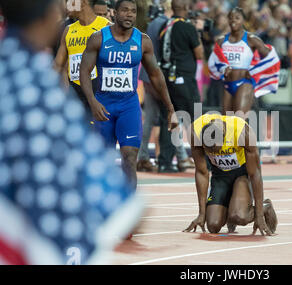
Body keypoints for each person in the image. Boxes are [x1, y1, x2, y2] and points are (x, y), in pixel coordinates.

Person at [0, 0, 142, 264]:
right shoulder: (38, 78)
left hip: (104, 98)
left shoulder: (104, 29)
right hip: (81, 97)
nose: (65, 8)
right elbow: (60, 64)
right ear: (44, 20)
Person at [79, 0, 177, 190]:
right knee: (102, 159)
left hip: (129, 106)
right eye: (125, 10)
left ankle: (129, 205)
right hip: (103, 105)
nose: (129, 14)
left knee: (130, 156)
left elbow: (156, 75)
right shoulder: (98, 38)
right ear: (114, 13)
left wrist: (170, 108)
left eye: (133, 11)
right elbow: (84, 71)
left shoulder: (143, 41)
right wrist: (92, 102)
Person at [183, 114, 277, 235]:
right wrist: (201, 214)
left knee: (239, 217)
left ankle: (266, 206)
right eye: (208, 151)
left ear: (225, 138)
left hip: (242, 174)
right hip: (219, 175)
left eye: (216, 150)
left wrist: (258, 214)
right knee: (213, 225)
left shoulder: (242, 132)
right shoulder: (194, 132)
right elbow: (202, 172)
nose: (213, 153)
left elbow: (255, 174)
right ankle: (232, 206)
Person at [137, 0, 194, 173]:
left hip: (148, 75)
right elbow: (163, 53)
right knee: (171, 118)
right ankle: (180, 157)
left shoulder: (154, 24)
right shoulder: (166, 24)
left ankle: (144, 156)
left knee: (152, 119)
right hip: (158, 77)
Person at [157, 0, 204, 173]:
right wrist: (197, 33)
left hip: (167, 80)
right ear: (185, 9)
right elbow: (199, 54)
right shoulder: (187, 27)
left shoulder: (165, 26)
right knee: (196, 120)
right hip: (184, 79)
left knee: (169, 120)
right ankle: (203, 161)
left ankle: (164, 162)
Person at [207, 7, 280, 117]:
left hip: (244, 83)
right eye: (231, 18)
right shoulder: (222, 40)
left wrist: (254, 70)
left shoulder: (251, 39)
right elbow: (214, 61)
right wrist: (223, 68)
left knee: (239, 121)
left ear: (243, 20)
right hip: (227, 84)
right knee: (227, 123)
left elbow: (271, 57)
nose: (233, 21)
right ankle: (249, 134)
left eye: (237, 18)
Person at [54, 0, 110, 113]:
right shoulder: (68, 30)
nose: (67, 5)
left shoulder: (106, 26)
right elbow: (59, 66)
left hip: (100, 94)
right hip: (76, 95)